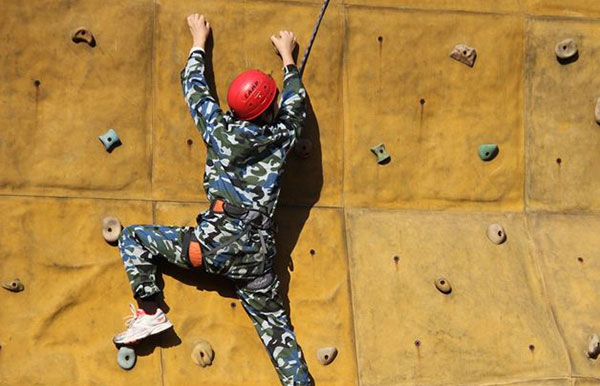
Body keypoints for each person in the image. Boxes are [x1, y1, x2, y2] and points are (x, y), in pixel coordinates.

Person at [112, 13, 311, 386]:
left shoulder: (219, 130)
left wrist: (198, 41)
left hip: (210, 248)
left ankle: (150, 310)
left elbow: (195, 90)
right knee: (279, 337)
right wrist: (287, 58)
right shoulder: (283, 134)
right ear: (270, 110)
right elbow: (296, 103)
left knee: (134, 237)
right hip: (258, 261)